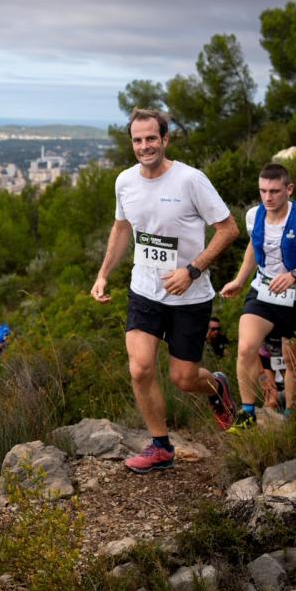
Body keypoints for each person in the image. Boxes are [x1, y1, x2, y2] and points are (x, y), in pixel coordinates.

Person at [90, 109, 239, 473]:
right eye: (138, 140)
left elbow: (229, 229)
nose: (145, 146)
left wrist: (192, 270)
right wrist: (103, 274)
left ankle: (217, 387)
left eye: (151, 139)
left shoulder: (190, 180)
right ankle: (160, 447)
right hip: (144, 291)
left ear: (165, 139)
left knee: (183, 379)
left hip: (190, 296)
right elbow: (122, 228)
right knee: (140, 368)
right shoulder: (125, 181)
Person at [220, 163, 296, 429]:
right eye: (263, 191)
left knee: (293, 362)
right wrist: (239, 280)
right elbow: (254, 247)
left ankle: (291, 415)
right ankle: (247, 413)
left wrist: (294, 275)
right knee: (246, 348)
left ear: (289, 189)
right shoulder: (253, 215)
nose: (268, 197)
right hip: (263, 292)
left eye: (275, 191)